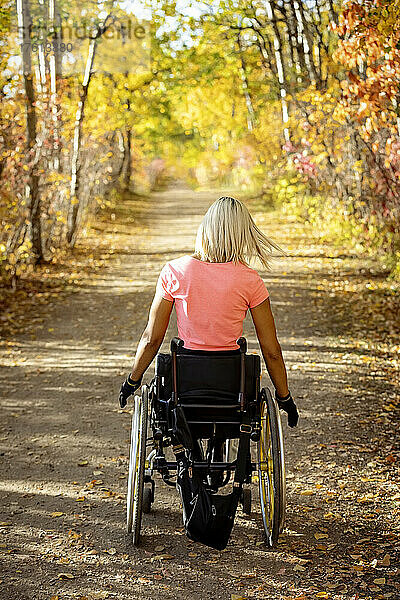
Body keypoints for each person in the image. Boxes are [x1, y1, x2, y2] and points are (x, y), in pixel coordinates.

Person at [119, 196, 299, 434]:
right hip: (233, 386)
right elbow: (271, 351)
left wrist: (133, 380)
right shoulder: (250, 280)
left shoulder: (175, 271)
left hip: (182, 383)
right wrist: (284, 396)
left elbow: (152, 338)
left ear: (206, 227)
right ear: (243, 233)